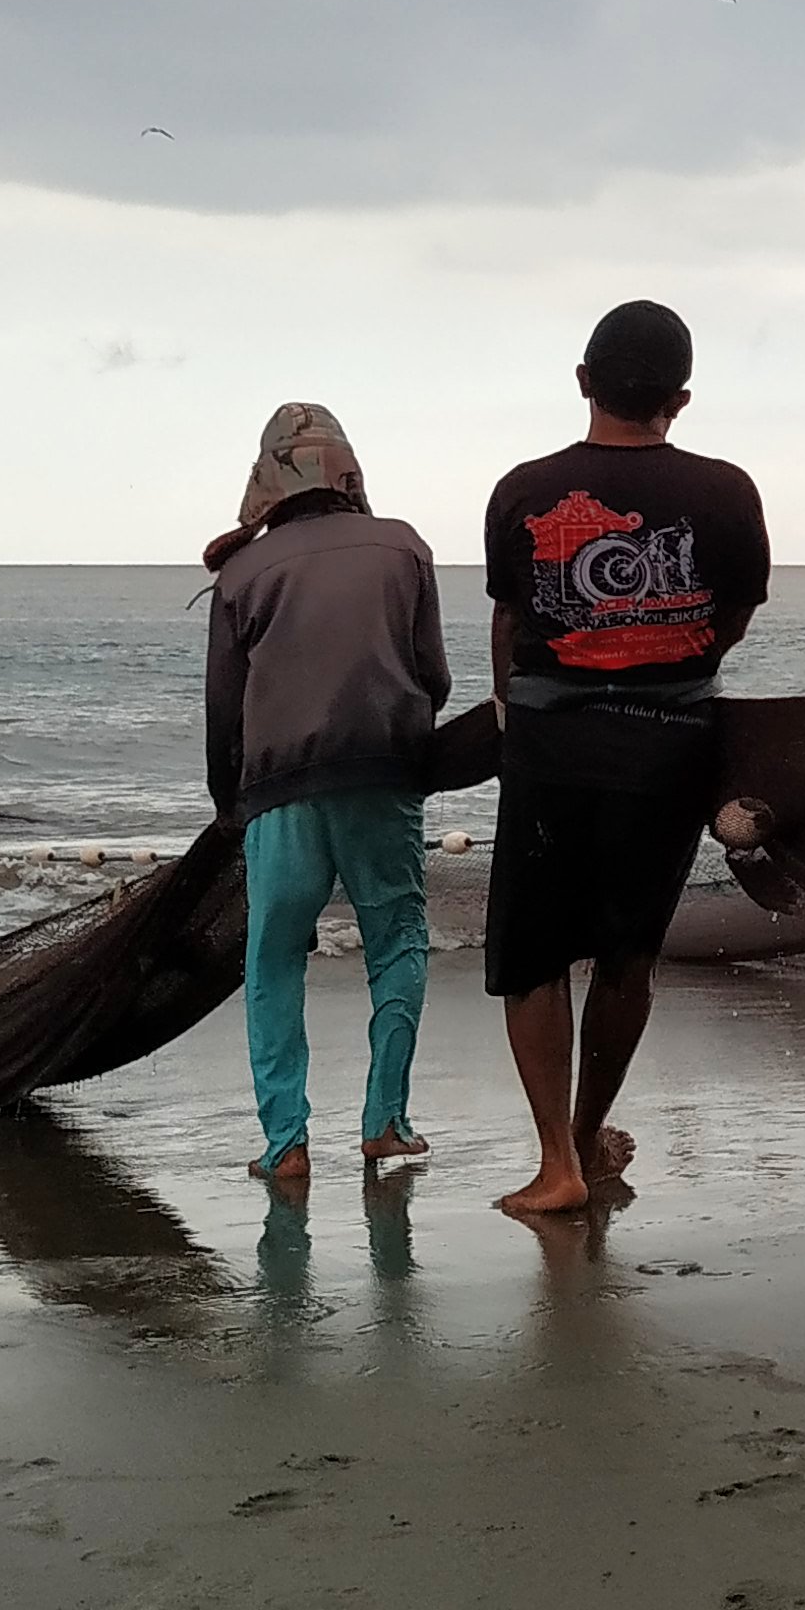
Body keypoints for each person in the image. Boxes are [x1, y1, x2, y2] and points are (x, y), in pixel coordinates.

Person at [481, 300, 769, 1217]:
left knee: (531, 958)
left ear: (582, 382)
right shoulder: (727, 492)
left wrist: (511, 709)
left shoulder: (523, 490)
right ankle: (590, 1126)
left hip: (549, 752)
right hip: (669, 751)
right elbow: (733, 620)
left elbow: (511, 620)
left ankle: (556, 1159)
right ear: (679, 400)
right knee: (625, 956)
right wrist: (669, 662)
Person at [203, 403, 451, 1185]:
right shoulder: (404, 548)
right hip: (382, 779)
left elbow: (224, 711)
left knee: (273, 960)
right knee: (398, 942)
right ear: (348, 471)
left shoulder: (242, 573)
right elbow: (434, 678)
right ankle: (386, 1121)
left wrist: (227, 807)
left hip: (278, 795)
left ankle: (285, 1146)